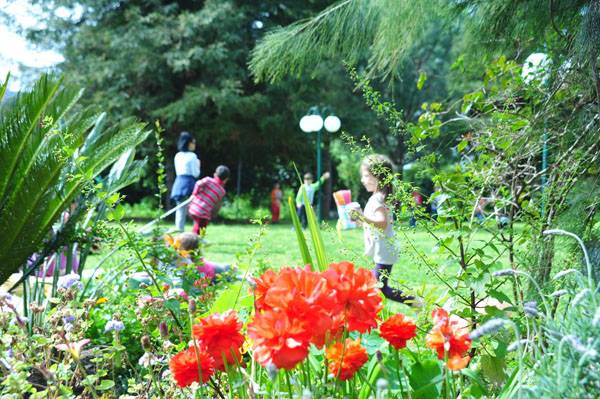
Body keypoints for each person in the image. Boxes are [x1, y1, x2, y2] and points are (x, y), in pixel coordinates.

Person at [351, 154, 420, 306]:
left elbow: (382, 223)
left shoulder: (377, 199)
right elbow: (375, 224)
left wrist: (362, 217)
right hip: (384, 248)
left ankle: (415, 301)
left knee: (381, 288)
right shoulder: (379, 197)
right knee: (374, 283)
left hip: (385, 250)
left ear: (378, 177)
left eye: (366, 175)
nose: (363, 180)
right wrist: (359, 221)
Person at [170, 132, 201, 231]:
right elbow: (196, 173)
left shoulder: (177, 155)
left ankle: (179, 233)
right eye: (193, 143)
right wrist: (198, 165)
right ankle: (195, 233)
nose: (194, 145)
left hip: (178, 184)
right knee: (195, 210)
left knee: (180, 211)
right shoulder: (192, 156)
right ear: (189, 143)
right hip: (189, 184)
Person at [188, 165, 230, 234]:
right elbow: (216, 204)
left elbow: (198, 183)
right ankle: (192, 240)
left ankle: (194, 239)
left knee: (197, 226)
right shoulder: (222, 191)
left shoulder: (208, 180)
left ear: (215, 174)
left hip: (194, 208)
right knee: (200, 230)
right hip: (203, 212)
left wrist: (194, 194)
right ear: (226, 180)